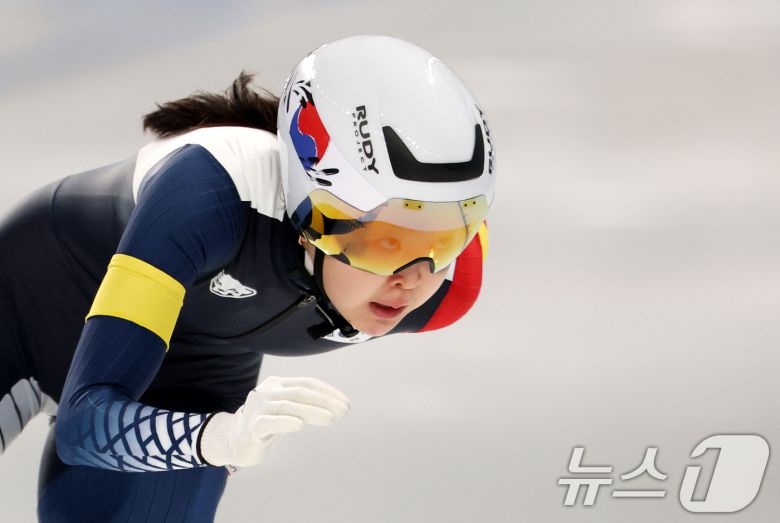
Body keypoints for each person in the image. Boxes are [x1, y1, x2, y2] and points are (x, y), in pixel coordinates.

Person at [0, 35, 495, 522]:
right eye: (389, 243)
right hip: (29, 300)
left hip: (184, 377)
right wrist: (219, 439)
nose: (413, 280)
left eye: (445, 241)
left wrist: (213, 438)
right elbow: (83, 427)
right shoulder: (211, 190)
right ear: (311, 216)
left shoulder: (447, 291)